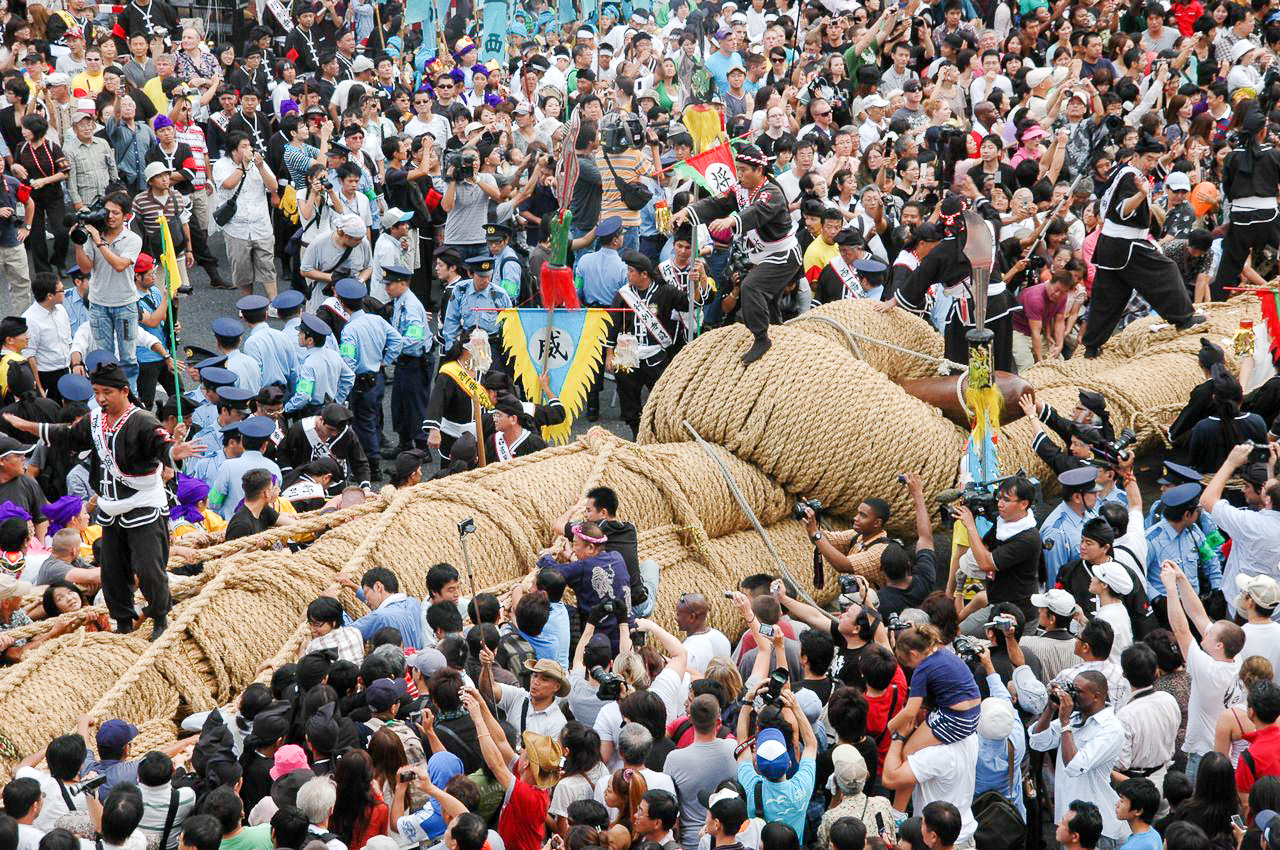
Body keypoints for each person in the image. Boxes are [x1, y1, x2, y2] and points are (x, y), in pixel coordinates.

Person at [3, 359, 202, 638]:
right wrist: (26, 426)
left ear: (123, 391)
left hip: (143, 507)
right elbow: (68, 435)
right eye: (96, 392)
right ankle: (122, 620)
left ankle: (159, 617)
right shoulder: (95, 420)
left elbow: (161, 443)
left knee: (148, 568)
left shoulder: (143, 420)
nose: (100, 399)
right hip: (110, 509)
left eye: (106, 393)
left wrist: (174, 452)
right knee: (112, 571)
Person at [671, 145, 801, 364]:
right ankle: (776, 330)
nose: (739, 174)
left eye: (743, 170)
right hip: (759, 255)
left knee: (751, 287)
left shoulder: (772, 193)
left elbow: (756, 212)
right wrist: (688, 211)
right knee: (766, 299)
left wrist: (731, 221)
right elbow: (716, 203)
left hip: (783, 254)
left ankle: (762, 338)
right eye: (737, 169)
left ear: (759, 170)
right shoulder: (739, 189)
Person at [1083, 138, 1202, 357]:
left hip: (1109, 244)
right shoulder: (1131, 179)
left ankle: (1091, 345)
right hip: (1127, 244)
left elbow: (1151, 169)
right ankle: (1183, 318)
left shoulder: (1123, 169)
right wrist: (1140, 194)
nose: (1152, 163)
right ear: (1135, 156)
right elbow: (1122, 209)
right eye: (1149, 159)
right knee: (1166, 270)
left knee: (1109, 295)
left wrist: (1167, 157)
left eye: (1155, 159)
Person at [1160, 559, 1245, 781]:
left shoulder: (1209, 671)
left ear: (1219, 645)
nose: (1204, 633)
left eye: (1209, 634)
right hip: (1226, 755)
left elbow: (1181, 630)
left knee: (1195, 811)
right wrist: (1182, 580)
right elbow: (1198, 615)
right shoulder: (1236, 659)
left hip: (1205, 757)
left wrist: (1170, 588)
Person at [1031, 671, 1130, 849]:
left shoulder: (1111, 728)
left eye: (1078, 691)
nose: (1072, 696)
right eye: (1071, 689)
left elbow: (1074, 765)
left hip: (1097, 827)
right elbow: (1038, 742)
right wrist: (1050, 709)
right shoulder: (1075, 718)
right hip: (1069, 820)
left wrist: (1064, 722)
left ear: (1096, 696)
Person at [604, 252, 688, 438]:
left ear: (644, 274)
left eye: (631, 270)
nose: (628, 274)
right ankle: (636, 432)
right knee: (628, 398)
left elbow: (689, 304)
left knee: (661, 397)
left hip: (655, 353)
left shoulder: (664, 291)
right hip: (627, 351)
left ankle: (658, 432)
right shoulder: (623, 294)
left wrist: (699, 280)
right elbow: (613, 325)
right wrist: (609, 354)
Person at [1211, 110, 1280, 301]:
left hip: (1241, 218)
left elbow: (1228, 188)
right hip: (1268, 216)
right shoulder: (1274, 154)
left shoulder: (1232, 157)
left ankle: (1217, 302)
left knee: (1230, 264)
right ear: (1262, 132)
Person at [74, 191, 142, 383]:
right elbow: (86, 267)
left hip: (125, 304)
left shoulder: (133, 239)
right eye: (107, 212)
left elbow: (120, 265)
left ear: (126, 216)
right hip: (98, 305)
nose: (110, 216)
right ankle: (108, 398)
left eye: (116, 213)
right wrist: (78, 243)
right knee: (104, 358)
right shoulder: (93, 236)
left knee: (128, 358)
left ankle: (132, 396)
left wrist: (98, 241)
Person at [211, 131, 278, 298]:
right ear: (234, 150)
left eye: (250, 145)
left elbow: (273, 187)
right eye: (244, 146)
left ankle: (274, 303)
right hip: (236, 228)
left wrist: (261, 166)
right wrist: (243, 165)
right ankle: (248, 305)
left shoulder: (258, 163)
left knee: (268, 266)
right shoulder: (221, 165)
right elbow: (227, 184)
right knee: (242, 270)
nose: (249, 149)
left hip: (261, 225)